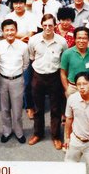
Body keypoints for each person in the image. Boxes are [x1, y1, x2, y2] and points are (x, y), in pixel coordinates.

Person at [28, 14, 68, 150]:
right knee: (38, 108)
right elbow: (32, 57)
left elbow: (64, 59)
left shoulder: (62, 42)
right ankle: (38, 133)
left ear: (55, 26)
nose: (47, 28)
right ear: (41, 25)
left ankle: (56, 136)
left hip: (54, 77)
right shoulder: (33, 40)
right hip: (38, 76)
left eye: (50, 25)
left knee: (55, 108)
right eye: (44, 25)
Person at [0, 19, 30, 144]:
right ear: (3, 32)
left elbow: (26, 64)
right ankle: (6, 131)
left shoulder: (24, 47)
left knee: (17, 109)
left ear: (16, 30)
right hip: (2, 79)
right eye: (7, 30)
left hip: (17, 80)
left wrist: (17, 75)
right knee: (4, 108)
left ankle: (19, 131)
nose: (9, 32)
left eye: (12, 30)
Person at [60, 27, 89, 99]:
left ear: (88, 39)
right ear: (75, 39)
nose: (81, 41)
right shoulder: (67, 53)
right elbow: (63, 73)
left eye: (84, 38)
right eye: (79, 38)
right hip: (72, 88)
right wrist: (67, 89)